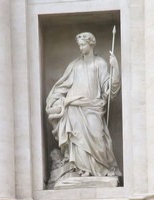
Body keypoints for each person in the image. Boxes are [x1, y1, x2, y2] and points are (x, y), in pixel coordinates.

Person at [45, 32, 121, 185]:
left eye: (83, 45)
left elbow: (108, 89)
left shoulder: (100, 63)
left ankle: (100, 169)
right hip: (74, 106)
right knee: (78, 139)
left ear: (91, 44)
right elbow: (63, 85)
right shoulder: (75, 65)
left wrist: (115, 69)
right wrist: (55, 99)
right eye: (79, 45)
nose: (80, 48)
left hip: (93, 106)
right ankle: (82, 170)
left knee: (97, 137)